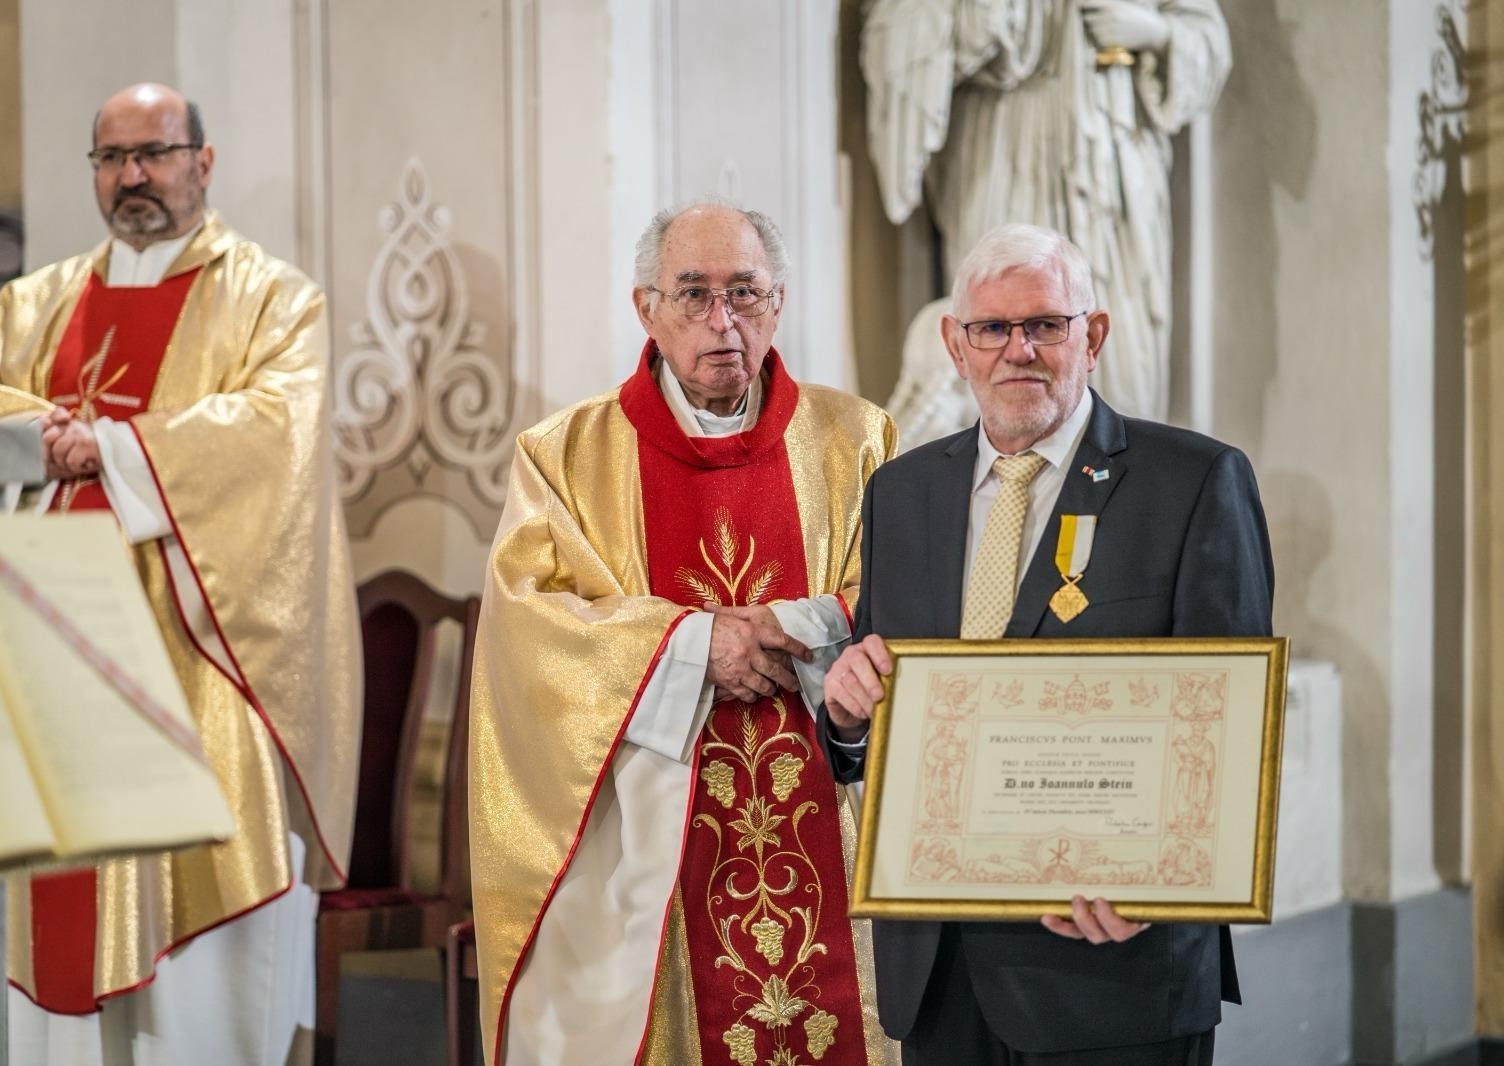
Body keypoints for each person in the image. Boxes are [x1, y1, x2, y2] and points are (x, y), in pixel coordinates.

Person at [0, 82, 360, 1065]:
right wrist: (36, 434)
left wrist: (113, 450)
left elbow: (274, 438)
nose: (134, 176)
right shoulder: (35, 302)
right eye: (112, 158)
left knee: (194, 966)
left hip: (200, 663)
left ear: (202, 162)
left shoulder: (274, 299)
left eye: (155, 154)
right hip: (49, 655)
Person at [820, 223, 1273, 1065]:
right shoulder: (901, 493)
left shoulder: (1192, 482)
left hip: (1113, 969)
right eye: (993, 328)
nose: (1018, 350)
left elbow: (1232, 724)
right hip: (940, 966)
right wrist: (846, 717)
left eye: (1045, 325)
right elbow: (884, 714)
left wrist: (1163, 886)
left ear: (1091, 336)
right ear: (956, 344)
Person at [469, 201, 899, 1065]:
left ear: (778, 303)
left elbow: (905, 592)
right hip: (652, 838)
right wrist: (694, 647)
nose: (722, 320)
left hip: (833, 811)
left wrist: (791, 624)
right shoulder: (564, 455)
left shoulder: (857, 440)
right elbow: (532, 629)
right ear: (647, 308)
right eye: (694, 294)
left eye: (745, 293)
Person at [864, 0, 1231, 439]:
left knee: (1121, 330)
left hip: (1112, 153)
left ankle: (1123, 469)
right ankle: (1005, 471)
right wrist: (979, 19)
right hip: (1002, 139)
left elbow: (1205, 34)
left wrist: (1156, 33)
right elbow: (897, 25)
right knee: (1000, 308)